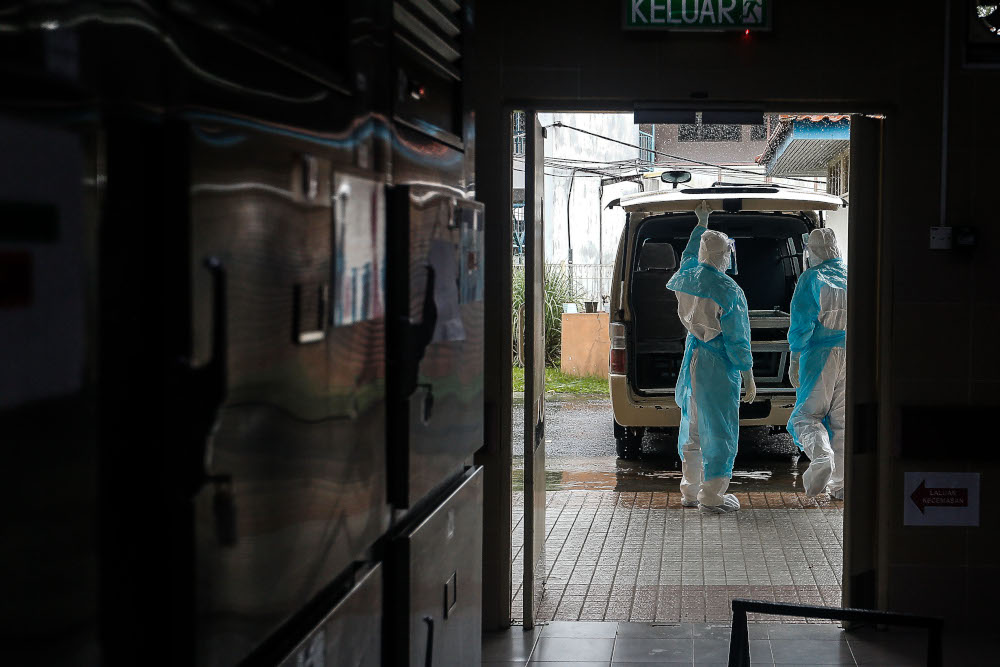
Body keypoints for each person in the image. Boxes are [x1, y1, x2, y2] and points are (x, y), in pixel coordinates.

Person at [667, 201, 756, 514]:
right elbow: (737, 336)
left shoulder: (686, 276)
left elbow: (690, 255)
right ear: (725, 255)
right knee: (719, 427)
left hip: (693, 359)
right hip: (718, 363)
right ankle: (713, 495)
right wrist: (747, 374)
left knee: (692, 426)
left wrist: (700, 223)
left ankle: (690, 491)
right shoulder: (728, 289)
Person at [787, 227, 848, 499]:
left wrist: (795, 357)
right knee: (843, 421)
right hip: (852, 354)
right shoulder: (851, 274)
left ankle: (822, 457)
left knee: (806, 415)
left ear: (811, 251)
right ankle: (842, 485)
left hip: (820, 356)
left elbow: (802, 323)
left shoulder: (811, 277)